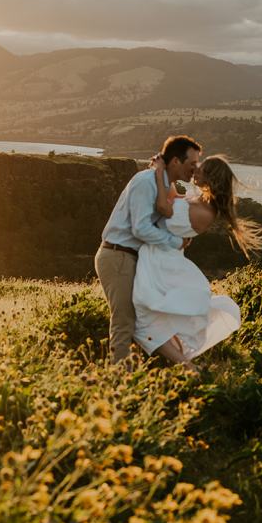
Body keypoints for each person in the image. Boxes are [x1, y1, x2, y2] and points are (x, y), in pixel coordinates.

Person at [132, 154, 262, 373]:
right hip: (161, 259)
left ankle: (187, 367)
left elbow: (163, 208)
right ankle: (178, 365)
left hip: (162, 266)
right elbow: (174, 199)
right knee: (152, 318)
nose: (195, 170)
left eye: (200, 168)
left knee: (144, 319)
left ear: (210, 178)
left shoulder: (204, 211)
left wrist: (159, 173)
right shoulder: (199, 199)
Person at [95, 135, 202, 365]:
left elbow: (171, 207)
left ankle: (174, 366)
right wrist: (175, 242)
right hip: (119, 255)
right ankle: (119, 380)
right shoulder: (145, 181)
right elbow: (141, 227)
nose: (195, 169)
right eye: (191, 164)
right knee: (124, 320)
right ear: (175, 162)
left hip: (136, 259)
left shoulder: (168, 186)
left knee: (147, 318)